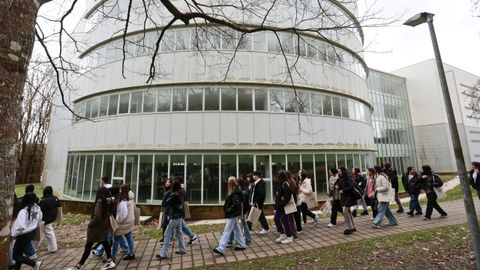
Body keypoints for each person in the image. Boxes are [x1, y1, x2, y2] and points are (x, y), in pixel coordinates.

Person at [68, 187, 116, 270]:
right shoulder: (109, 202)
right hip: (104, 226)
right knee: (105, 242)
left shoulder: (99, 202)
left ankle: (78, 266)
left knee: (88, 246)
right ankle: (110, 261)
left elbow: (97, 217)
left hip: (96, 228)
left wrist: (90, 224)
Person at [213, 176, 247, 255]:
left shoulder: (235, 191)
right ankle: (242, 244)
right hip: (233, 213)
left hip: (232, 214)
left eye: (228, 181)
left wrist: (228, 210)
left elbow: (235, 204)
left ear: (231, 183)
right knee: (236, 228)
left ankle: (221, 248)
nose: (227, 183)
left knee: (227, 230)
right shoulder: (234, 190)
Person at [11, 192, 42, 270]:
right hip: (31, 233)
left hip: (23, 235)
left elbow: (20, 226)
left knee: (15, 256)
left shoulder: (23, 212)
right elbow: (40, 218)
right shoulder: (37, 208)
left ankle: (35, 264)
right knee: (19, 253)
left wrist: (13, 234)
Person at [156, 180, 186, 260]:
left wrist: (168, 197)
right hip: (180, 215)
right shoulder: (181, 192)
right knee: (179, 232)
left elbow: (165, 203)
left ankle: (163, 254)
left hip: (175, 216)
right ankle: (182, 249)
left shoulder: (174, 195)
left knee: (167, 233)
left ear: (174, 186)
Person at [111, 185, 135, 262]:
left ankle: (112, 257)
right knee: (129, 237)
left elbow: (122, 214)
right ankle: (131, 254)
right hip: (129, 222)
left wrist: (117, 220)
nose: (119, 191)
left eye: (120, 190)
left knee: (115, 240)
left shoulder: (123, 201)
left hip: (123, 224)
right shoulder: (130, 198)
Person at [227, 177, 252, 246]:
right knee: (243, 224)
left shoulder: (238, 191)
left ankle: (230, 241)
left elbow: (239, 202)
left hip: (239, 211)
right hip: (243, 211)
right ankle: (248, 239)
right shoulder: (244, 190)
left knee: (233, 225)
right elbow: (247, 202)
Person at [36, 186, 61, 253]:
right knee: (49, 233)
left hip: (44, 220)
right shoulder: (55, 199)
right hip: (51, 218)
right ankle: (53, 248)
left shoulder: (43, 201)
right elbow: (59, 206)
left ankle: (33, 250)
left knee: (39, 235)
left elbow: (39, 210)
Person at [273, 170, 295, 244]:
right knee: (276, 219)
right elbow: (278, 195)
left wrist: (280, 204)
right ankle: (282, 233)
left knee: (285, 220)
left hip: (284, 206)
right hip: (280, 206)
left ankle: (289, 236)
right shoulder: (281, 184)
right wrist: (276, 206)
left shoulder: (285, 184)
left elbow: (287, 197)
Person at [337, 167, 356, 235]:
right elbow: (341, 186)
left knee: (345, 211)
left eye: (340, 171)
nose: (338, 172)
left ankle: (349, 228)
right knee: (348, 212)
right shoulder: (340, 178)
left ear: (343, 171)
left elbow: (351, 186)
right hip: (344, 197)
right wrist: (338, 187)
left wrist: (343, 190)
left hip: (350, 196)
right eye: (338, 171)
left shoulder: (348, 177)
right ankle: (353, 227)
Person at [287, 171, 302, 235]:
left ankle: (298, 229)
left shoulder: (292, 182)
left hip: (295, 202)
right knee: (297, 216)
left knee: (295, 216)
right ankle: (298, 228)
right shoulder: (293, 182)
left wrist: (294, 202)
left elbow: (294, 193)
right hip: (296, 202)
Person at [160, 178, 172, 243]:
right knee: (164, 224)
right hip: (165, 208)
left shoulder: (170, 191)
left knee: (167, 223)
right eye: (166, 182)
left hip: (168, 209)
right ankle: (164, 237)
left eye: (169, 182)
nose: (167, 183)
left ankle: (168, 237)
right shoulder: (166, 190)